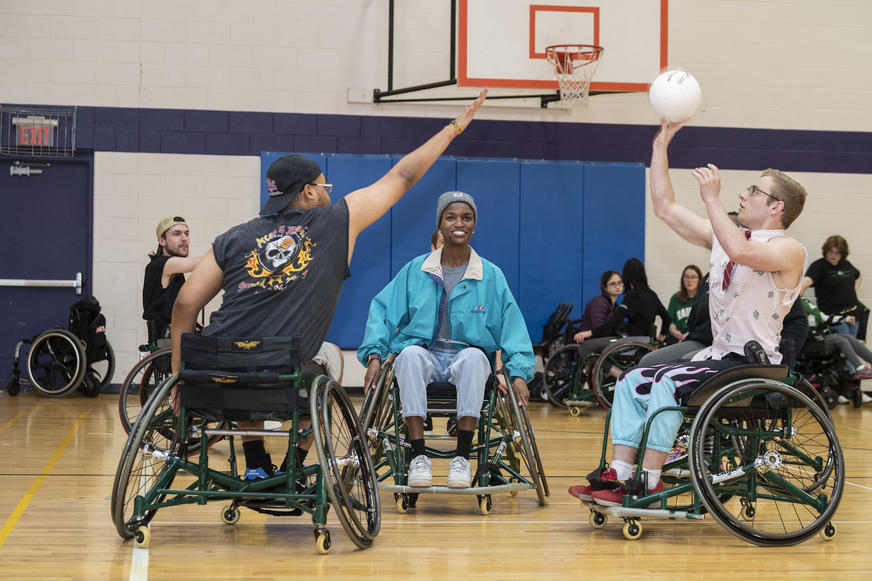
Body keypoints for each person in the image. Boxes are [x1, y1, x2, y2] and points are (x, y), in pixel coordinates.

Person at [170, 90, 488, 481]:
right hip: (281, 375)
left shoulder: (233, 237)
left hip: (214, 372)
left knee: (242, 365)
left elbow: (185, 304)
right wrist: (454, 128)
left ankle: (254, 463)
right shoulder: (335, 223)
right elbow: (403, 175)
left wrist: (180, 375)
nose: (328, 192)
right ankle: (291, 463)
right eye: (325, 186)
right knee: (326, 364)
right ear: (307, 192)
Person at [569, 119, 808, 505]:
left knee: (669, 383)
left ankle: (648, 483)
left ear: (776, 207)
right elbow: (665, 208)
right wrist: (659, 147)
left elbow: (743, 253)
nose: (743, 194)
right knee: (632, 381)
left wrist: (713, 200)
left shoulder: (788, 248)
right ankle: (621, 475)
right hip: (717, 356)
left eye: (753, 190)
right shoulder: (729, 236)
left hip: (753, 363)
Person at [358, 191, 534, 489]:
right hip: (425, 354)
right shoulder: (417, 269)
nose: (459, 223)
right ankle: (417, 456)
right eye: (451, 217)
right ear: (440, 224)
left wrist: (519, 373)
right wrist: (375, 354)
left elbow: (512, 326)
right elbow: (383, 310)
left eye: (466, 217)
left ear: (474, 224)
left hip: (466, 357)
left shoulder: (490, 275)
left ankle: (462, 458)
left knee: (476, 358)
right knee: (409, 355)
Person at [142, 216, 203, 345]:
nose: (184, 238)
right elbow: (202, 263)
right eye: (177, 234)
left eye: (186, 234)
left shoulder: (173, 269)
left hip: (175, 334)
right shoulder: (163, 264)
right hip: (168, 340)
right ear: (162, 240)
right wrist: (227, 249)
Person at [800, 235, 863, 336]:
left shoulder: (846, 264)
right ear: (826, 251)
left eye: (837, 253)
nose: (833, 255)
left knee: (852, 346)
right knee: (844, 347)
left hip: (853, 316)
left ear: (843, 254)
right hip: (833, 317)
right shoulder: (819, 266)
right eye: (831, 252)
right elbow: (807, 280)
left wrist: (854, 291)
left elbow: (859, 276)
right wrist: (801, 288)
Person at [665, 265, 702, 343]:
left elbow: (704, 325)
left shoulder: (703, 299)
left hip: (696, 339)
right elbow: (670, 320)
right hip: (677, 338)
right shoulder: (675, 298)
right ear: (682, 280)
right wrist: (674, 331)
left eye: (693, 277)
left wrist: (690, 334)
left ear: (699, 279)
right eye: (686, 277)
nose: (689, 280)